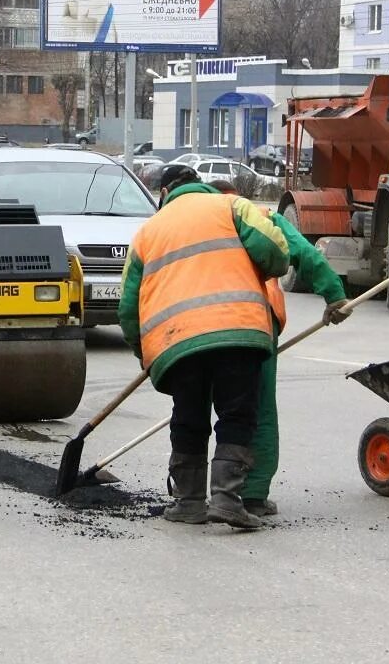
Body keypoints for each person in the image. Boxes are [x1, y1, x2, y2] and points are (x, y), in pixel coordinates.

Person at [118, 164, 290, 529]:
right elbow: (275, 252)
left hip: (177, 341)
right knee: (237, 414)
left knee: (189, 416)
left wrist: (143, 353)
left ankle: (189, 502)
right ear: (201, 186)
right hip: (237, 331)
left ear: (163, 195)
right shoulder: (233, 207)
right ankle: (227, 499)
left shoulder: (147, 233)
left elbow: (128, 307)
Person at [201, 180, 353, 518]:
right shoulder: (258, 214)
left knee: (195, 404)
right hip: (253, 320)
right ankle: (251, 494)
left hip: (196, 322)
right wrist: (334, 295)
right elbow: (304, 252)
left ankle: (191, 497)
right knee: (256, 407)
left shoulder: (194, 220)